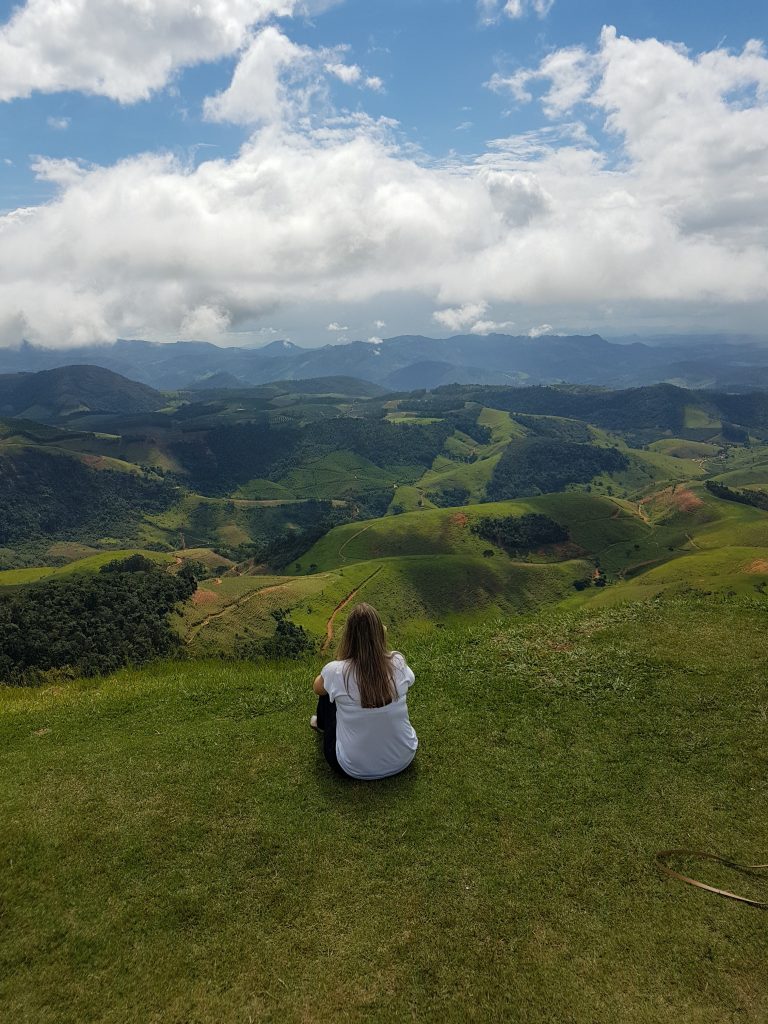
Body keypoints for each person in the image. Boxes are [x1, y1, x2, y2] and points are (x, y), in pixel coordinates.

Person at [311, 603, 418, 780]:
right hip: (403, 757)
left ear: (348, 636)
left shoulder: (336, 671)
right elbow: (410, 680)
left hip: (353, 767)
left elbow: (317, 687)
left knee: (327, 693)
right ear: (380, 633)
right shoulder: (397, 662)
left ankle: (320, 724)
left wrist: (340, 664)